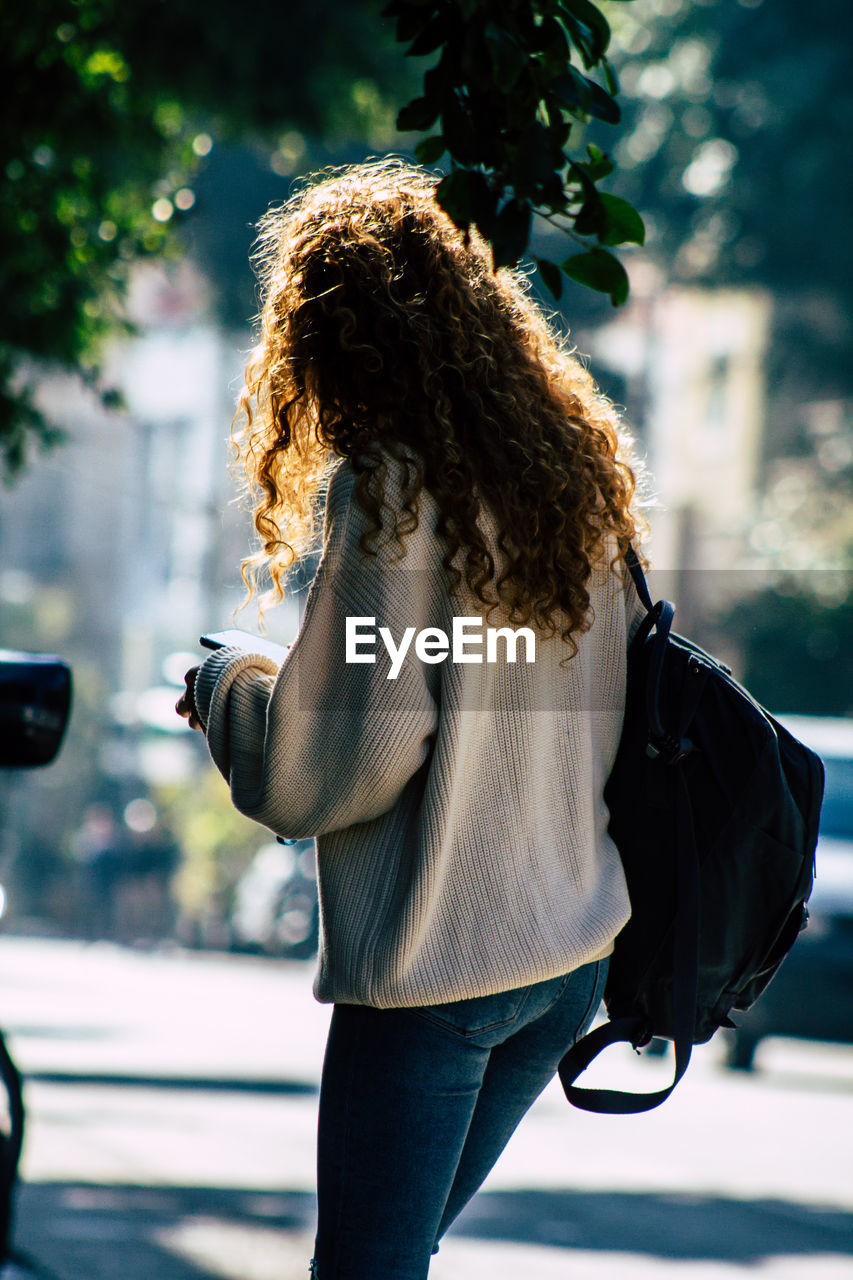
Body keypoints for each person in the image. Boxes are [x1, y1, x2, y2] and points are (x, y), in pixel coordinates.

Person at [176, 157, 650, 1279]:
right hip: (568, 949)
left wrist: (228, 693)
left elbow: (348, 754)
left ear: (330, 343)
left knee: (367, 1268)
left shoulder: (393, 483)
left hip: (445, 961)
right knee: (397, 1255)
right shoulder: (572, 471)